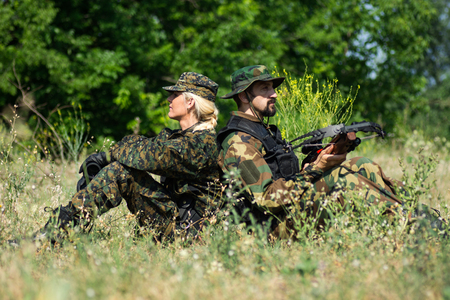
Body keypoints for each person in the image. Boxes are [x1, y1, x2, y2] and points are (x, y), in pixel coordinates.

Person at [217, 65, 443, 239]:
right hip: (270, 229)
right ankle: (414, 227)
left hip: (288, 212)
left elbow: (284, 178)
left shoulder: (263, 131)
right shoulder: (238, 142)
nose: (274, 94)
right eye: (264, 89)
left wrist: (326, 156)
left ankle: (422, 216)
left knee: (360, 164)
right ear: (244, 96)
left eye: (273, 88)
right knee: (344, 180)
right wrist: (316, 170)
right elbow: (266, 199)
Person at [17, 72, 223, 244]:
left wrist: (105, 157)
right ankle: (60, 228)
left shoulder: (201, 145)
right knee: (122, 168)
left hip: (188, 235)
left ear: (189, 102)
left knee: (122, 172)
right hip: (175, 224)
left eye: (175, 95)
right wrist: (106, 160)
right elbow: (137, 143)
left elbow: (148, 155)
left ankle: (56, 234)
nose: (169, 99)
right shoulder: (179, 137)